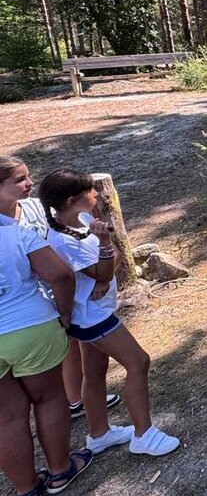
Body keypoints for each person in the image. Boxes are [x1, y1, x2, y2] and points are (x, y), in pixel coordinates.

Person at [39, 170, 180, 457]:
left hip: (94, 312)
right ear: (73, 199)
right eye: (92, 192)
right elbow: (105, 259)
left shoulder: (85, 220)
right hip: (92, 318)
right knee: (139, 362)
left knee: (94, 372)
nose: (97, 195)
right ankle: (144, 434)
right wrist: (103, 254)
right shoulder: (63, 241)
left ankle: (99, 433)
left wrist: (102, 276)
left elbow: (113, 258)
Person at [0, 163, 92, 496]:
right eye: (18, 179)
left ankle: (25, 491)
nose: (28, 183)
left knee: (5, 417)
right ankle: (59, 469)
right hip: (28, 325)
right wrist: (65, 313)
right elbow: (61, 275)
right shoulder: (15, 234)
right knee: (49, 398)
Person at [0, 157, 121, 421]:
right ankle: (71, 400)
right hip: (36, 296)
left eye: (28, 176)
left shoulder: (33, 207)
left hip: (64, 287)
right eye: (19, 179)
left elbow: (66, 228)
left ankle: (79, 399)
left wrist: (101, 276)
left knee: (76, 345)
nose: (29, 183)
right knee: (66, 350)